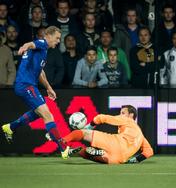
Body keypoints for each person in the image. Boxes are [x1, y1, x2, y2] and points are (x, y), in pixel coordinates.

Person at [1, 26, 75, 159]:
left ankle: (10, 127)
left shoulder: (43, 51)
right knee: (48, 115)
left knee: (38, 113)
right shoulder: (42, 43)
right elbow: (30, 44)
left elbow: (40, 71)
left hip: (29, 85)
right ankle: (63, 149)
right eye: (57, 38)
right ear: (49, 35)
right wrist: (24, 46)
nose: (58, 41)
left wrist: (48, 87)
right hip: (25, 85)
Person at [62, 105, 154, 164]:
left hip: (115, 143)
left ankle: (62, 140)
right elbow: (149, 151)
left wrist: (89, 127)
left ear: (131, 115)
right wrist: (135, 160)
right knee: (87, 154)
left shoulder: (127, 120)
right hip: (119, 159)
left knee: (83, 133)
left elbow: (101, 117)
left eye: (123, 113)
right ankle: (96, 153)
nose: (120, 115)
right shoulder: (141, 135)